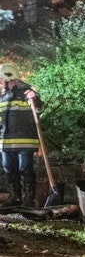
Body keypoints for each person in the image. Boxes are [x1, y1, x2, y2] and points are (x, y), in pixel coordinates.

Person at [0, 63, 42, 207]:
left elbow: (38, 107)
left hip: (25, 140)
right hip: (6, 141)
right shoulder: (3, 97)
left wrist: (34, 99)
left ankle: (28, 199)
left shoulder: (26, 92)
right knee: (8, 169)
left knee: (25, 169)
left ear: (7, 77)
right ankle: (14, 197)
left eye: (0, 78)